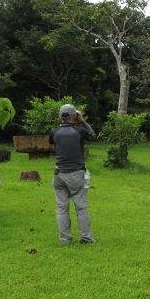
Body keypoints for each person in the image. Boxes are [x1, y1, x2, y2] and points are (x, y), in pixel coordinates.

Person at [49, 103, 97, 245]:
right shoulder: (80, 132)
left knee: (61, 208)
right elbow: (93, 136)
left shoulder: (54, 132)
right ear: (75, 116)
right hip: (76, 173)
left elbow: (52, 144)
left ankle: (65, 239)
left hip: (59, 174)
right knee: (81, 207)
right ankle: (86, 238)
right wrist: (82, 120)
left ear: (60, 116)